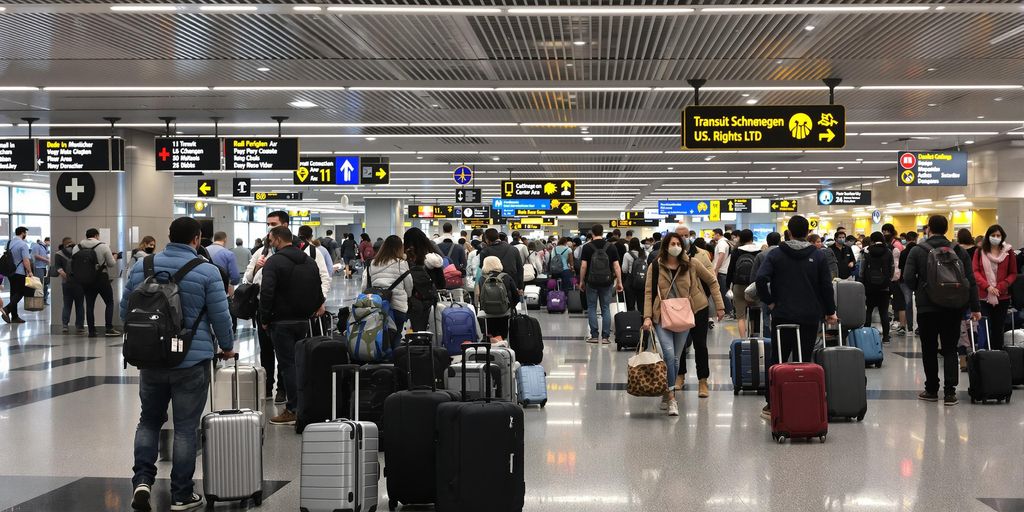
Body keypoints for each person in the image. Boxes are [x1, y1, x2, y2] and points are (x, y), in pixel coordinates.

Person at [122, 217, 235, 512]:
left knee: (148, 421)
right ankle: (182, 495)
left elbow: (125, 310)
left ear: (169, 236)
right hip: (191, 360)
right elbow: (221, 316)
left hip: (150, 359)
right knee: (185, 428)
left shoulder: (141, 267)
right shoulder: (207, 271)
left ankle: (143, 482)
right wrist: (227, 346)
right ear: (197, 239)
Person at [755, 215, 837, 420]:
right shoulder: (817, 256)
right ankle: (800, 401)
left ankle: (772, 404)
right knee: (804, 360)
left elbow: (760, 278)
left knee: (778, 359)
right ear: (808, 233)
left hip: (783, 315)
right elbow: (826, 286)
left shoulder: (775, 254)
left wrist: (770, 301)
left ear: (789, 231)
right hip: (810, 315)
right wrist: (829, 311)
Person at [244, 211, 330, 404]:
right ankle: (268, 387)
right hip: (266, 309)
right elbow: (248, 279)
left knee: (289, 358)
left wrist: (319, 302)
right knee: (267, 352)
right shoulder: (261, 252)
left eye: (273, 224)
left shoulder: (309, 252)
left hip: (293, 311)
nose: (269, 228)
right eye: (268, 224)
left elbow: (323, 278)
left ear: (284, 225)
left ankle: (286, 393)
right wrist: (257, 268)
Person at [642, 232, 724, 415]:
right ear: (665, 246)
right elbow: (648, 293)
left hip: (688, 313)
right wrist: (647, 316)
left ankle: (675, 387)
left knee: (681, 355)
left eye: (678, 243)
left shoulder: (692, 264)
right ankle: (671, 395)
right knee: (669, 355)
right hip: (662, 315)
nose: (676, 246)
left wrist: (720, 306)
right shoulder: (655, 266)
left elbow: (712, 280)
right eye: (672, 243)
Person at [905, 215, 981, 406]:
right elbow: (970, 281)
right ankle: (950, 393)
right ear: (947, 229)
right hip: (953, 307)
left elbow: (907, 278)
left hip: (927, 308)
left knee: (929, 348)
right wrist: (975, 307)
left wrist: (921, 289)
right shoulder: (958, 251)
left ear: (928, 228)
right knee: (949, 349)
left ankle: (931, 389)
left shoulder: (918, 250)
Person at [258, 225, 326, 426]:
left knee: (287, 365)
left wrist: (264, 318)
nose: (270, 244)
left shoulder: (273, 263)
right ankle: (304, 405)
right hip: (303, 321)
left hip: (280, 322)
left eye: (271, 240)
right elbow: (317, 288)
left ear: (278, 240)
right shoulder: (309, 261)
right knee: (300, 363)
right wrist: (313, 309)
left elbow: (267, 293)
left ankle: (293, 409)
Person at [972, 224, 1017, 351]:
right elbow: (975, 271)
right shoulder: (980, 251)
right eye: (993, 235)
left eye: (998, 235)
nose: (996, 237)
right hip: (983, 296)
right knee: (984, 327)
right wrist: (987, 287)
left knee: (998, 328)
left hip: (1002, 296)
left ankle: (998, 357)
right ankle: (984, 356)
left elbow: (1013, 273)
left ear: (1002, 237)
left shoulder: (1008, 252)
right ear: (988, 236)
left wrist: (1001, 286)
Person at [71, 228, 122, 337]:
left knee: (89, 305)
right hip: (101, 278)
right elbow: (111, 263)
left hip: (86, 280)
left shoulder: (77, 247)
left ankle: (92, 331)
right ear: (97, 235)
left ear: (86, 236)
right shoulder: (103, 246)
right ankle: (109, 328)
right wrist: (115, 256)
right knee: (109, 302)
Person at [579, 224, 624, 344]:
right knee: (605, 308)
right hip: (607, 281)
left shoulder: (587, 247)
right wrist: (619, 282)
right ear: (602, 232)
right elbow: (616, 266)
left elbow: (583, 266)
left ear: (592, 233)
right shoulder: (611, 247)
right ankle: (605, 337)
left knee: (592, 308)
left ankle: (594, 336)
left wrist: (581, 281)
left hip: (591, 281)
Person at [365, 235, 414, 332]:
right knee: (395, 335)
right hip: (397, 307)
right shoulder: (402, 263)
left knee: (377, 336)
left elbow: (364, 286)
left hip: (376, 306)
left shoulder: (373, 263)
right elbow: (409, 287)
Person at [403, 227, 445, 331]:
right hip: (430, 298)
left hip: (412, 300)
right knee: (431, 327)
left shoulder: (406, 258)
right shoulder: (433, 256)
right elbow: (441, 283)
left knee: (414, 329)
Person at [859, 232, 895, 343]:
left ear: (872, 240)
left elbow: (862, 269)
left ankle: (866, 335)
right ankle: (885, 337)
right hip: (884, 287)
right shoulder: (888, 251)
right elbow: (892, 268)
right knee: (883, 312)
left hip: (869, 286)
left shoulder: (866, 251)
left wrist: (863, 280)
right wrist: (888, 279)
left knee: (868, 310)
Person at [726, 229, 760, 338]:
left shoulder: (736, 251)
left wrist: (728, 286)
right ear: (752, 238)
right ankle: (754, 338)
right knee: (755, 313)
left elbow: (730, 269)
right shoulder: (758, 251)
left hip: (738, 285)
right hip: (754, 286)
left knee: (741, 316)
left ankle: (743, 340)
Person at [476, 256, 520, 340]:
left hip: (488, 313)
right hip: (504, 313)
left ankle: (492, 344)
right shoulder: (506, 277)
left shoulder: (482, 279)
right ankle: (503, 343)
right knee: (503, 333)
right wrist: (511, 307)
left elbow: (480, 298)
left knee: (491, 332)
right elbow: (516, 296)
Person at [748, 232, 782, 338]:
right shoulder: (783, 253)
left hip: (765, 289)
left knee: (766, 316)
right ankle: (779, 337)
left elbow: (754, 276)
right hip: (781, 289)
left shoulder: (761, 255)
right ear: (779, 241)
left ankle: (767, 340)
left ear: (767, 242)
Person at [51, 237, 85, 334]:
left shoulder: (59, 254)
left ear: (63, 244)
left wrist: (67, 277)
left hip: (66, 283)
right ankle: (80, 326)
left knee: (67, 304)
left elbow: (58, 268)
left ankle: (65, 325)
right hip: (79, 283)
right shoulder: (80, 253)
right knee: (79, 305)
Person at [1, 226, 33, 324]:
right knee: (21, 292)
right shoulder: (23, 245)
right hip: (19, 272)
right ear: (23, 233)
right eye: (25, 233)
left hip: (10, 272)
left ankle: (15, 317)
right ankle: (7, 309)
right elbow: (26, 260)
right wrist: (30, 271)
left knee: (13, 293)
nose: (26, 235)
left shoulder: (9, 242)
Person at [898, 231, 919, 334]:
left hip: (904, 280)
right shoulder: (920, 251)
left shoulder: (903, 252)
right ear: (915, 239)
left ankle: (910, 327)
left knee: (908, 303)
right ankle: (919, 327)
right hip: (918, 280)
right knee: (919, 303)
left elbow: (900, 267)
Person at [711, 228, 735, 318]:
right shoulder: (727, 242)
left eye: (713, 235)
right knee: (725, 291)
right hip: (725, 270)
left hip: (722, 271)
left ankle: (730, 311)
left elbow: (721, 255)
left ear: (718, 234)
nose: (713, 237)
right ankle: (730, 311)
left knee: (723, 292)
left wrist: (716, 268)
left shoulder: (721, 243)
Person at [620, 238, 647, 312]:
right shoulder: (645, 253)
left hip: (630, 282)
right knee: (641, 304)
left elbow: (624, 270)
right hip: (642, 280)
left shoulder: (627, 255)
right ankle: (642, 320)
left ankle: (632, 321)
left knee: (630, 304)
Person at [31, 237, 51, 305]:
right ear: (46, 241)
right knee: (38, 285)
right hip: (38, 267)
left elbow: (45, 255)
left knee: (45, 284)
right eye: (50, 242)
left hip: (43, 267)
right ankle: (38, 302)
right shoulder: (37, 246)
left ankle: (44, 300)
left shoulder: (45, 247)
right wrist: (46, 260)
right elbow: (36, 256)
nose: (50, 244)